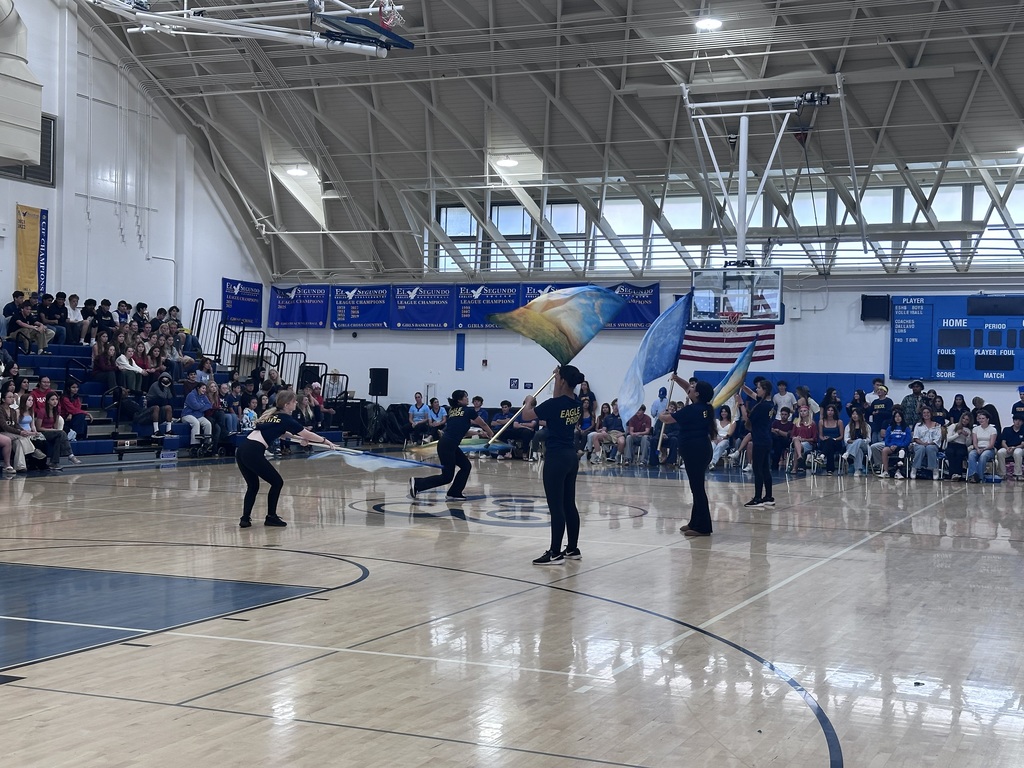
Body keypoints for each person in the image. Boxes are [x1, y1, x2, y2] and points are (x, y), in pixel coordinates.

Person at [509, 366, 587, 563]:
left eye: (558, 378)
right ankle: (572, 549)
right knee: (569, 503)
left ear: (561, 382)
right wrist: (558, 376)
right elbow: (557, 402)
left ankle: (555, 552)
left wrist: (528, 402)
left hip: (556, 458)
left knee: (556, 507)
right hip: (570, 457)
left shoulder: (554, 404)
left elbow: (527, 415)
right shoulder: (576, 404)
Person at [234, 389, 336, 528]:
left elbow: (281, 433)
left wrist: (299, 439)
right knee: (277, 482)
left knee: (253, 486)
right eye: (294, 401)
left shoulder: (272, 414)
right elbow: (308, 434)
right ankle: (271, 517)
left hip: (242, 450)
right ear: (287, 404)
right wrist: (325, 441)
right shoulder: (286, 418)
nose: (296, 404)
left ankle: (245, 519)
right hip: (253, 452)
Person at [409, 390, 493, 501]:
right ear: (459, 400)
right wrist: (491, 433)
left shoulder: (453, 411)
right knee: (447, 477)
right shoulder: (468, 411)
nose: (467, 399)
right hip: (448, 445)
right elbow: (482, 423)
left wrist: (479, 433)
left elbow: (460, 431)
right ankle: (418, 483)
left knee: (466, 466)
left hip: (448, 444)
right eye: (465, 397)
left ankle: (454, 492)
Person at [659, 374, 716, 536]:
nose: (689, 388)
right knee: (695, 487)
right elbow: (687, 388)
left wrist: (660, 414)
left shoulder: (691, 410)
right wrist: (677, 379)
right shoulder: (705, 407)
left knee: (697, 489)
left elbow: (667, 419)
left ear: (697, 394)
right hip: (701, 450)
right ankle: (694, 522)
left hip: (695, 451)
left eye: (693, 388)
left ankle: (703, 527)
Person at [744, 379, 775, 508]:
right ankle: (768, 496)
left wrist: (741, 405)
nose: (757, 390)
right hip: (766, 439)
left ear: (765, 390)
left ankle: (757, 498)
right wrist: (742, 385)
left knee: (758, 469)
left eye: (759, 388)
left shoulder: (761, 407)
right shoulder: (770, 404)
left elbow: (747, 420)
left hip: (760, 440)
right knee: (765, 469)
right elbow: (752, 394)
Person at [36, 392, 77, 470]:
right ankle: (70, 455)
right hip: (42, 432)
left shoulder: (57, 410)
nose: (55, 401)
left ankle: (54, 463)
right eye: (52, 400)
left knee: (59, 438)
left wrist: (54, 430)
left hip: (52, 432)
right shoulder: (42, 411)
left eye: (56, 399)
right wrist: (51, 430)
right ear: (47, 401)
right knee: (61, 433)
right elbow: (38, 428)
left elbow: (55, 425)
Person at [872, 409, 912, 478]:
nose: (897, 418)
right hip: (891, 446)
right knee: (884, 450)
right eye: (896, 416)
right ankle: (886, 471)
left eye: (899, 416)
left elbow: (907, 440)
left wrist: (898, 446)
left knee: (902, 451)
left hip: (902, 446)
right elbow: (886, 439)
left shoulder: (906, 428)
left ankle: (898, 471)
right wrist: (890, 446)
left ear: (902, 417)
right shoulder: (890, 428)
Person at [910, 406, 942, 479]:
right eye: (924, 413)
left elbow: (938, 438)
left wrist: (930, 443)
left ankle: (934, 469)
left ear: (931, 414)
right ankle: (914, 468)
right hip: (919, 444)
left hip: (932, 444)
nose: (926, 414)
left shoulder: (937, 425)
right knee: (921, 448)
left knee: (930, 448)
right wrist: (922, 443)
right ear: (922, 414)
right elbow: (915, 437)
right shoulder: (918, 425)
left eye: (928, 412)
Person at [967, 410, 998, 483]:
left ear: (987, 419)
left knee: (983, 456)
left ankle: (980, 477)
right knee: (971, 454)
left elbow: (991, 444)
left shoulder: (993, 429)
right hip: (977, 448)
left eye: (983, 418)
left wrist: (984, 449)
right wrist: (977, 448)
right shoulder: (975, 429)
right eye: (979, 418)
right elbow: (975, 442)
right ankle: (972, 475)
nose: (981, 420)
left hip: (988, 449)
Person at [944, 412, 973, 481]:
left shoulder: (968, 430)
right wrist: (958, 434)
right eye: (963, 418)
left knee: (959, 454)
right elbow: (948, 439)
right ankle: (952, 474)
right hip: (952, 444)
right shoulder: (953, 426)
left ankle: (958, 474)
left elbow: (968, 444)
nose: (964, 421)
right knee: (951, 452)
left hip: (962, 446)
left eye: (967, 420)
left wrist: (968, 437)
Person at [818, 404, 845, 475]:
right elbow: (820, 435)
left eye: (832, 410)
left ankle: (822, 456)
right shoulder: (821, 422)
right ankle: (830, 470)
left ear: (834, 412)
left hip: (837, 442)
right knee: (829, 445)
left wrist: (834, 439)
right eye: (828, 410)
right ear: (826, 412)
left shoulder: (839, 422)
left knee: (830, 442)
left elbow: (841, 436)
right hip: (824, 442)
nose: (830, 412)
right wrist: (823, 438)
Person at [996, 414, 1024, 480]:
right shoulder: (1007, 430)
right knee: (1000, 452)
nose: (1018, 422)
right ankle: (1002, 473)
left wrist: (1014, 448)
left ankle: (1018, 474)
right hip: (1007, 448)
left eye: (1020, 421)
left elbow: (1023, 444)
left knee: (1017, 453)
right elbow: (1003, 442)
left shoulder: (1023, 431)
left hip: (1019, 448)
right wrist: (1007, 448)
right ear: (1013, 421)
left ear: (1022, 422)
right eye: (1016, 420)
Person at [844, 408, 870, 476]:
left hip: (864, 445)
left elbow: (868, 439)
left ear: (860, 415)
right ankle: (857, 470)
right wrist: (855, 442)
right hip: (851, 445)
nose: (854, 416)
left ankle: (848, 453)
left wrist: (859, 441)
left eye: (856, 414)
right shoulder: (848, 426)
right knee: (858, 450)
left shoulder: (866, 426)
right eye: (853, 414)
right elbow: (846, 439)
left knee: (859, 440)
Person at [709, 404, 736, 469]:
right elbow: (714, 431)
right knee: (712, 445)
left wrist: (722, 438)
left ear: (728, 413)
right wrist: (715, 438)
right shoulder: (717, 421)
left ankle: (713, 462)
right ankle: (709, 462)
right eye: (722, 411)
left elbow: (730, 433)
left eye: (725, 412)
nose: (723, 413)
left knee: (720, 446)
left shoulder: (733, 422)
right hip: (716, 438)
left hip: (725, 439)